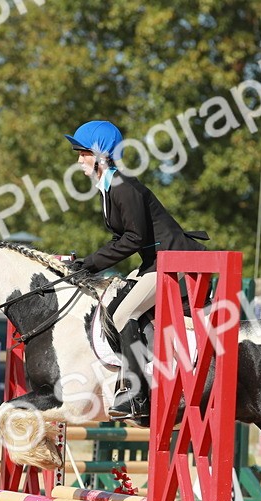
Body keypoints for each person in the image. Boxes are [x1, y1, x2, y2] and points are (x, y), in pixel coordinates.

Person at [64, 120, 208, 422]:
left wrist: (89, 264)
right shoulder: (109, 187)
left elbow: (133, 238)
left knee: (122, 314)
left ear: (99, 156)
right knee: (112, 299)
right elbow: (123, 238)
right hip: (157, 262)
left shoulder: (122, 186)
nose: (79, 161)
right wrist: (85, 263)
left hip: (177, 264)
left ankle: (136, 395)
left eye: (82, 153)